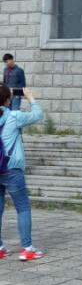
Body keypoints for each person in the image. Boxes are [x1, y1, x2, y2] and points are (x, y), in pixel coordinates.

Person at [0, 86, 44, 261]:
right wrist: (30, 97)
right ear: (7, 100)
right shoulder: (14, 116)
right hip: (12, 169)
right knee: (23, 207)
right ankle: (27, 248)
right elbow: (37, 115)